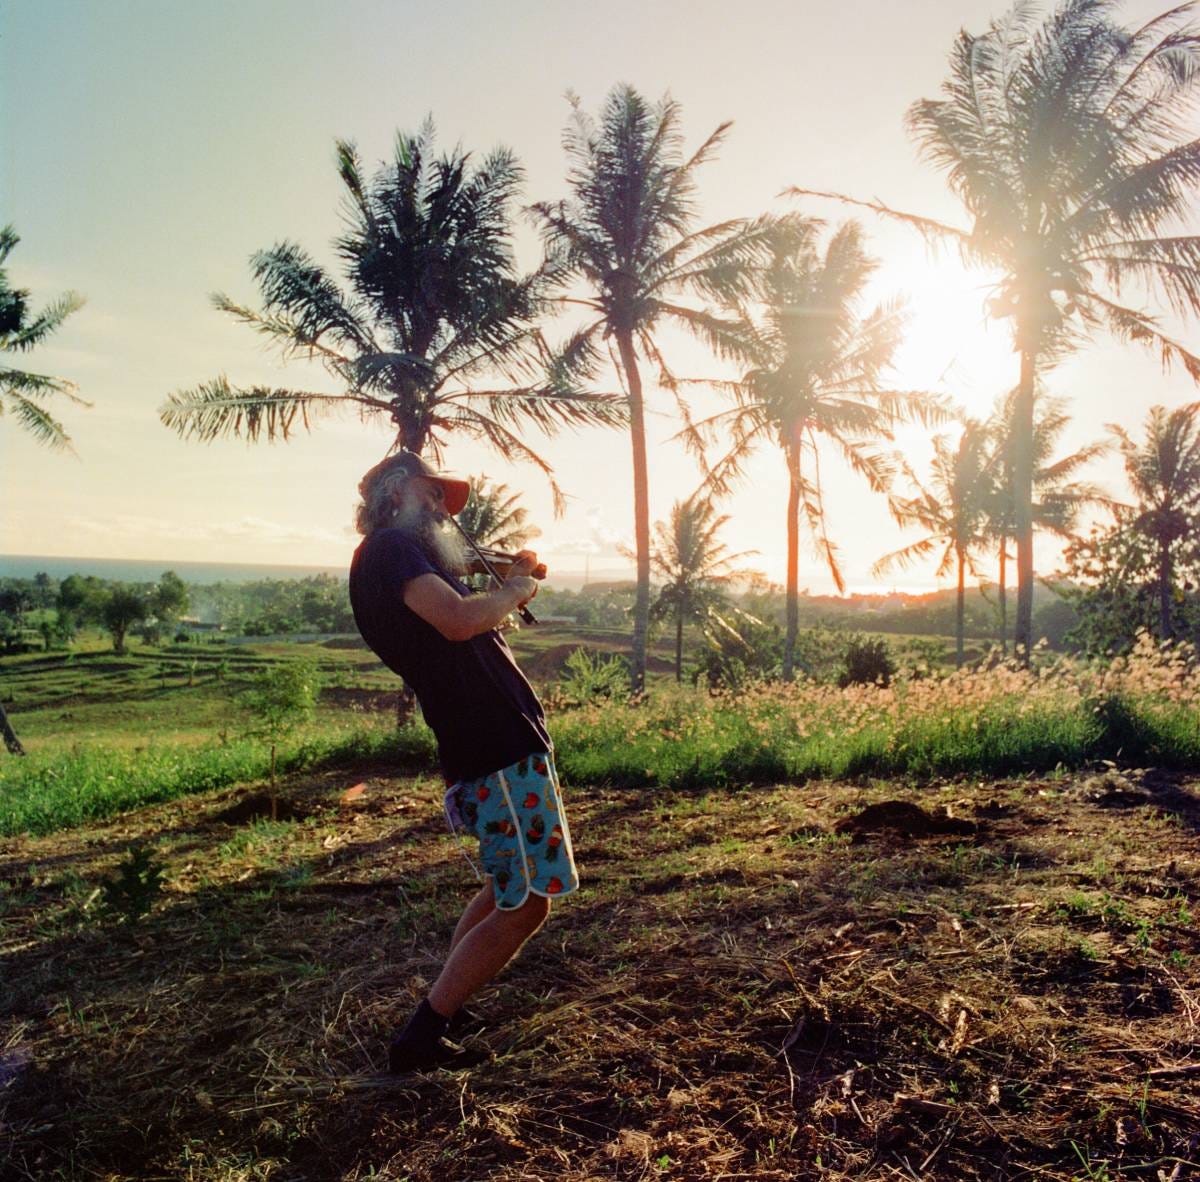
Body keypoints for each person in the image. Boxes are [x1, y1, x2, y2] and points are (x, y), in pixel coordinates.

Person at [348, 451, 579, 1073]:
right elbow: (458, 620)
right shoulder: (390, 550)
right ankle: (423, 1036)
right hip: (492, 745)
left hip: (494, 743)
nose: (442, 508)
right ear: (397, 492)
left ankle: (450, 1007)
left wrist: (504, 573)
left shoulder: (404, 558)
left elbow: (456, 596)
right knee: (527, 901)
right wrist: (517, 588)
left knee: (506, 886)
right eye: (432, 494)